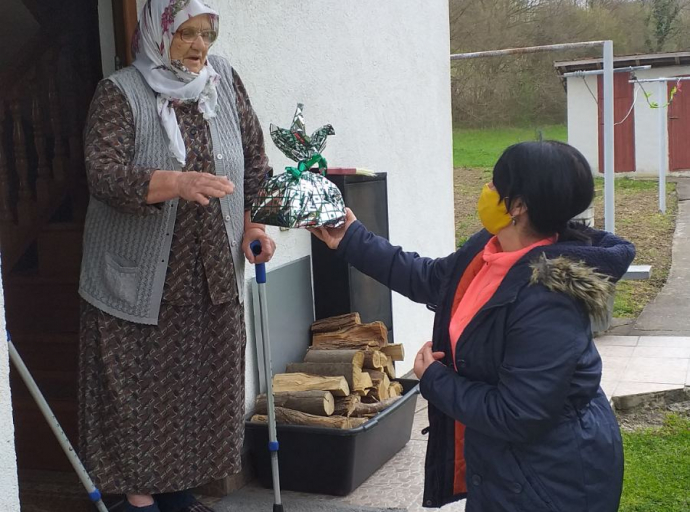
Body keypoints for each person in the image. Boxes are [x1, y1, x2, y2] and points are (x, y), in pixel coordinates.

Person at [310, 141, 634, 512]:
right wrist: (352, 239)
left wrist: (433, 379)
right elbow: (431, 278)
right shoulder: (491, 248)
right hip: (504, 471)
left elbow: (516, 413)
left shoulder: (548, 299)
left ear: (518, 206)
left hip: (549, 483)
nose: (486, 190)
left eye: (495, 184)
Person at [78, 1, 275, 511]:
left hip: (210, 277)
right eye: (185, 33)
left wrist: (253, 223)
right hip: (141, 283)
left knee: (198, 399)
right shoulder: (120, 92)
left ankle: (180, 495)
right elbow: (102, 174)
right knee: (138, 403)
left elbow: (254, 160)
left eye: (206, 33)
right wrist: (174, 183)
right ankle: (140, 502)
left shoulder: (223, 82)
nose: (198, 46)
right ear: (157, 32)